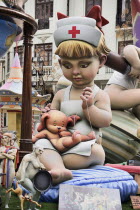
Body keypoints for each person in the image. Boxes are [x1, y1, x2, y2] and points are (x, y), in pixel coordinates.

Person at [34, 5, 112, 185]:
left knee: (96, 151)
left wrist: (89, 107)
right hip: (58, 145)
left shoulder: (100, 94)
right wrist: (47, 115)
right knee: (40, 146)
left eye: (83, 65)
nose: (75, 72)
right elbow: (49, 119)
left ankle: (59, 165)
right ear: (61, 63)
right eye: (68, 66)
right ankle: (60, 169)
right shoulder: (61, 94)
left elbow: (105, 121)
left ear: (101, 61)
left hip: (84, 148)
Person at [105, 45, 140, 120]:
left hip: (117, 95)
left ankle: (136, 111)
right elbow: (128, 48)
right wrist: (137, 66)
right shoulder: (136, 57)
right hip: (114, 94)